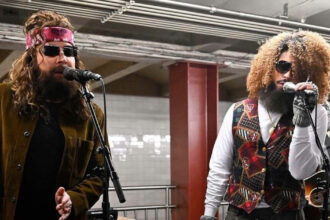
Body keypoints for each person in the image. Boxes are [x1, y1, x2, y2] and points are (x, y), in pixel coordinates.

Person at [201, 31, 330, 220]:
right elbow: (220, 167)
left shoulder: (316, 114)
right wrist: (209, 213)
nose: (286, 75)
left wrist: (302, 123)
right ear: (269, 68)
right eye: (282, 66)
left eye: (296, 71)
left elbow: (300, 171)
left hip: (287, 215)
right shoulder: (238, 111)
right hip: (240, 213)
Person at [0, 10, 108, 220]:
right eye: (51, 51)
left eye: (69, 52)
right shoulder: (4, 98)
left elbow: (100, 173)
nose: (62, 58)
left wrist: (75, 199)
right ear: (32, 58)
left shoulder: (91, 114)